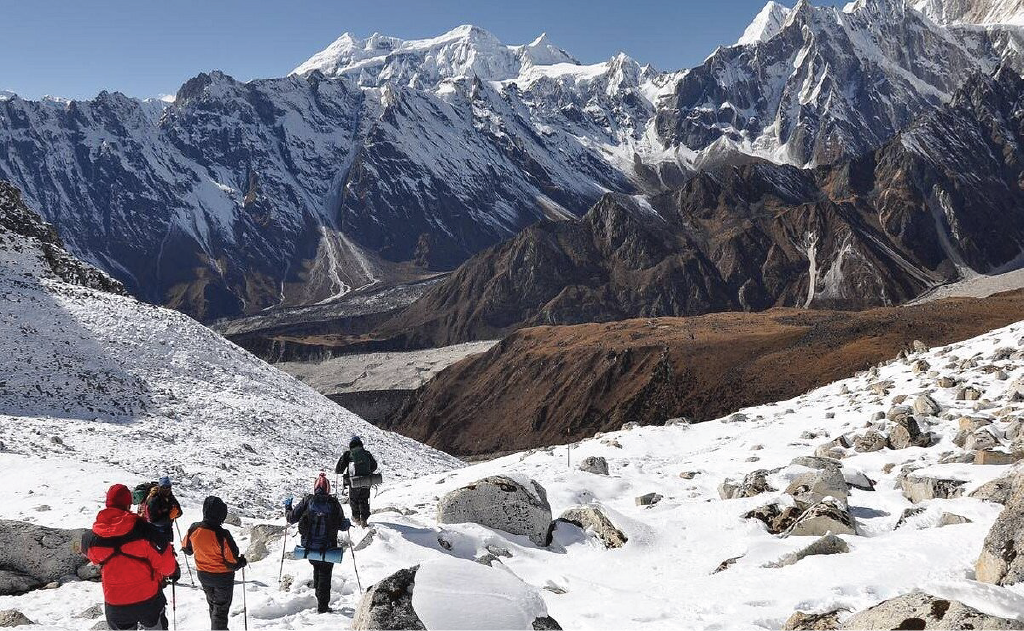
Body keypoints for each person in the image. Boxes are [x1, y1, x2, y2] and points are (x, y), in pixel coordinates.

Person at [82, 484, 179, 630]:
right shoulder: (145, 531)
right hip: (148, 599)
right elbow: (167, 566)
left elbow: (92, 556)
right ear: (128, 504)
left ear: (107, 503)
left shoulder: (92, 538)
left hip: (116, 603)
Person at [285, 473, 350, 614]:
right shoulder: (333, 503)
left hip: (310, 547)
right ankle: (323, 606)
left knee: (317, 569)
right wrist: (347, 523)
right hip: (328, 547)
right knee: (325, 574)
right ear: (328, 488)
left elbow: (291, 518)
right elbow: (342, 525)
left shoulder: (307, 501)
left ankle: (319, 597)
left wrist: (288, 507)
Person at [182, 496, 247, 630]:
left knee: (213, 604)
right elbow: (231, 562)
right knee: (221, 609)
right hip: (222, 578)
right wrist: (242, 562)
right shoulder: (222, 534)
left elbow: (187, 549)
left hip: (203, 574)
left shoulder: (194, 528)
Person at [334, 435, 378, 527]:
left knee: (354, 500)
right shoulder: (367, 454)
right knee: (364, 499)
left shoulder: (348, 454)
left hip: (353, 482)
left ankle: (356, 518)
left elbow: (339, 469)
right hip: (366, 481)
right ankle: (364, 519)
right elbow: (374, 466)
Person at [145, 476, 182, 544]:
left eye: (168, 487)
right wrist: (169, 517)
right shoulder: (154, 500)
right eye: (164, 487)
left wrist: (177, 512)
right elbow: (153, 521)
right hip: (155, 531)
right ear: (159, 487)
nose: (166, 489)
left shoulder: (170, 496)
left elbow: (179, 511)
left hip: (167, 529)